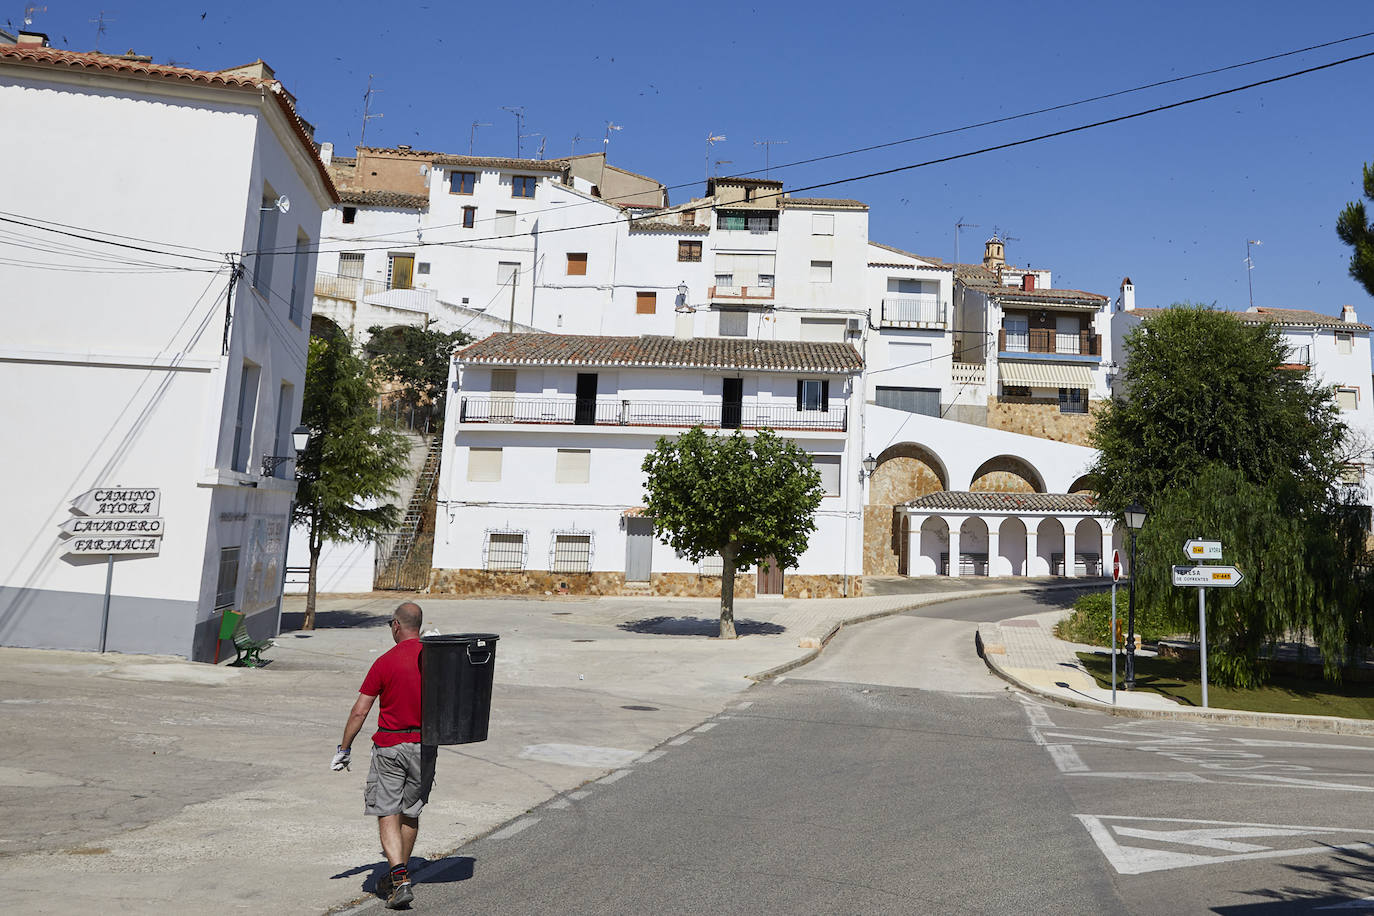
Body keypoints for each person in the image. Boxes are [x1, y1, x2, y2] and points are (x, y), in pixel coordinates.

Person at [333, 601, 434, 909]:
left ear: (396, 626)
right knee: (410, 811)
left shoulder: (384, 662)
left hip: (390, 747)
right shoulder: (435, 659)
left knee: (387, 809)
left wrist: (344, 748)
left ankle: (400, 878)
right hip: (425, 746)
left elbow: (359, 711)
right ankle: (398, 876)